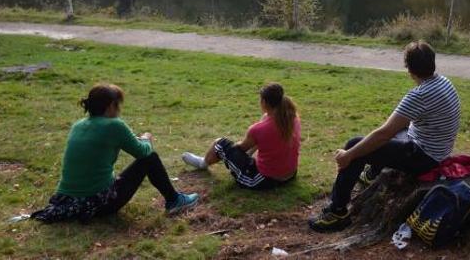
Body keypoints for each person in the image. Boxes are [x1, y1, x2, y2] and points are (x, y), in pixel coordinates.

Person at [308, 41, 461, 232]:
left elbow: (383, 134)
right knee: (388, 133)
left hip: (425, 157)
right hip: (435, 147)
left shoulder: (419, 95)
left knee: (355, 145)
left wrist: (349, 155)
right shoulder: (443, 82)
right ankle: (372, 174)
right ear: (432, 63)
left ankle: (337, 212)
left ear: (409, 70)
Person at [31, 84, 199, 223]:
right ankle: (174, 200)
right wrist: (147, 139)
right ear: (111, 105)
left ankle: (174, 200)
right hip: (98, 203)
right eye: (118, 105)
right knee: (150, 158)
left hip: (67, 201)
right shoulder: (114, 125)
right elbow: (142, 152)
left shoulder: (79, 125)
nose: (119, 110)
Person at [182, 83, 300, 190]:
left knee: (220, 143)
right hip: (290, 174)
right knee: (262, 129)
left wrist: (237, 146)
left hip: (264, 180)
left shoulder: (258, 129)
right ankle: (246, 158)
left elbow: (241, 148)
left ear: (264, 102)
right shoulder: (292, 118)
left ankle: (203, 163)